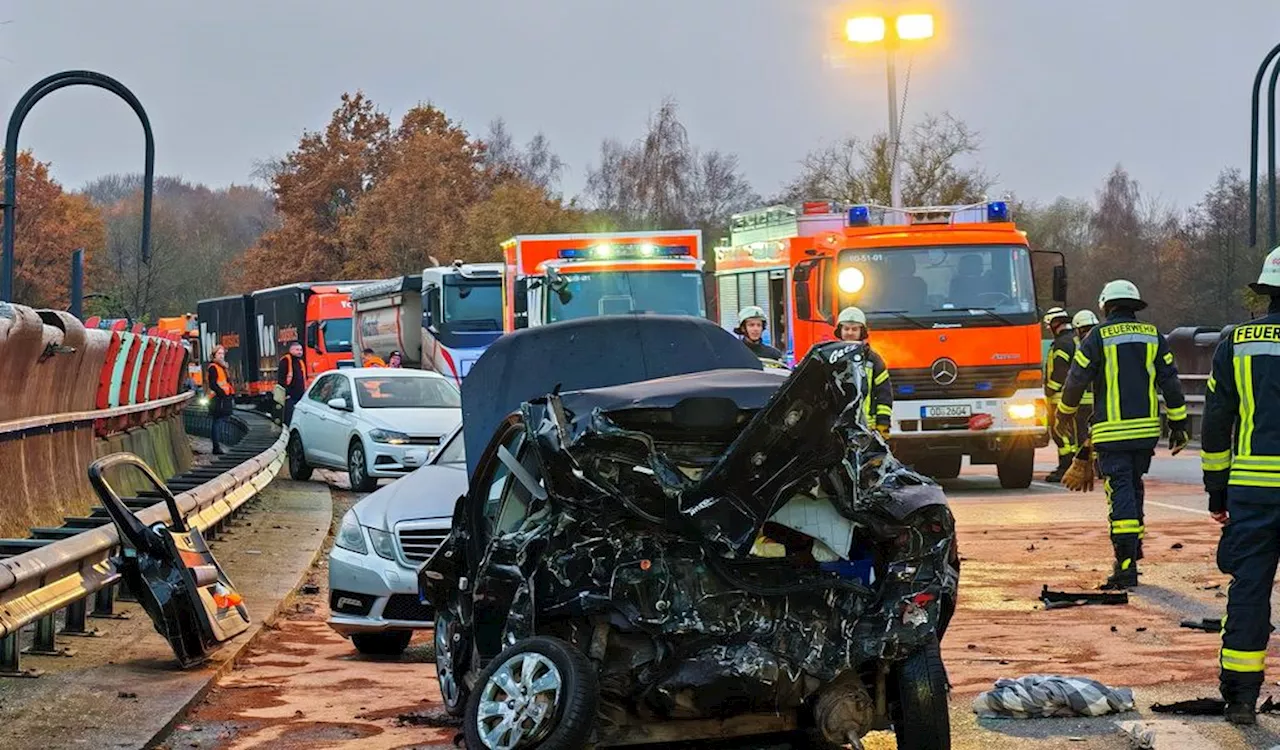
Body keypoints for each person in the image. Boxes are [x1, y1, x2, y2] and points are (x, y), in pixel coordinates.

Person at [1057, 280, 1188, 590]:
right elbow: (1171, 382)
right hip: (1145, 433)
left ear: (1106, 306)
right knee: (1134, 486)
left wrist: (1063, 412)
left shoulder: (1097, 337)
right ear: (1135, 307)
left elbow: (1076, 380)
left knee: (1120, 493)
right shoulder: (1154, 336)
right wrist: (1179, 425)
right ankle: (1134, 549)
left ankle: (1125, 564)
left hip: (1112, 433)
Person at [1201, 247, 1280, 724]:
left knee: (1249, 590)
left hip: (1253, 491)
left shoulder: (1238, 341)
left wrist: (1217, 490)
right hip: (1253, 493)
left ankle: (1241, 699)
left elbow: (1215, 421)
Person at [834, 306, 892, 439]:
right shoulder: (831, 359)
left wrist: (883, 427)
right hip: (837, 428)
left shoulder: (873, 360)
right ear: (840, 331)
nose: (850, 332)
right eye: (846, 328)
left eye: (854, 329)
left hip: (867, 429)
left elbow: (884, 395)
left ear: (862, 332)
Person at [1042, 307, 1076, 483]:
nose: (1049, 329)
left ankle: (1065, 466)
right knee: (1072, 434)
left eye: (1050, 326)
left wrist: (1049, 390)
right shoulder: (1073, 340)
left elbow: (1060, 371)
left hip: (1059, 397)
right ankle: (1071, 465)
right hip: (1071, 396)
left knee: (1060, 432)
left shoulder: (1062, 344)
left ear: (1056, 324)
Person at [206, 345, 235, 456]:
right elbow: (213, 384)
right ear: (214, 355)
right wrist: (222, 393)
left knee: (220, 422)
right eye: (219, 353)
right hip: (217, 398)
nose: (221, 356)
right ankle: (216, 447)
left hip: (223, 397)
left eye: (222, 353)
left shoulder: (223, 367)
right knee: (217, 422)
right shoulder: (213, 367)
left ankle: (218, 446)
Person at [278, 341, 306, 426]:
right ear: (291, 350)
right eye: (297, 350)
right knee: (288, 417)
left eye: (301, 350)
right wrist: (286, 393)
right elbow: (281, 378)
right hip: (289, 395)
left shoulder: (300, 362)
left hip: (299, 395)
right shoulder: (286, 360)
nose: (300, 352)